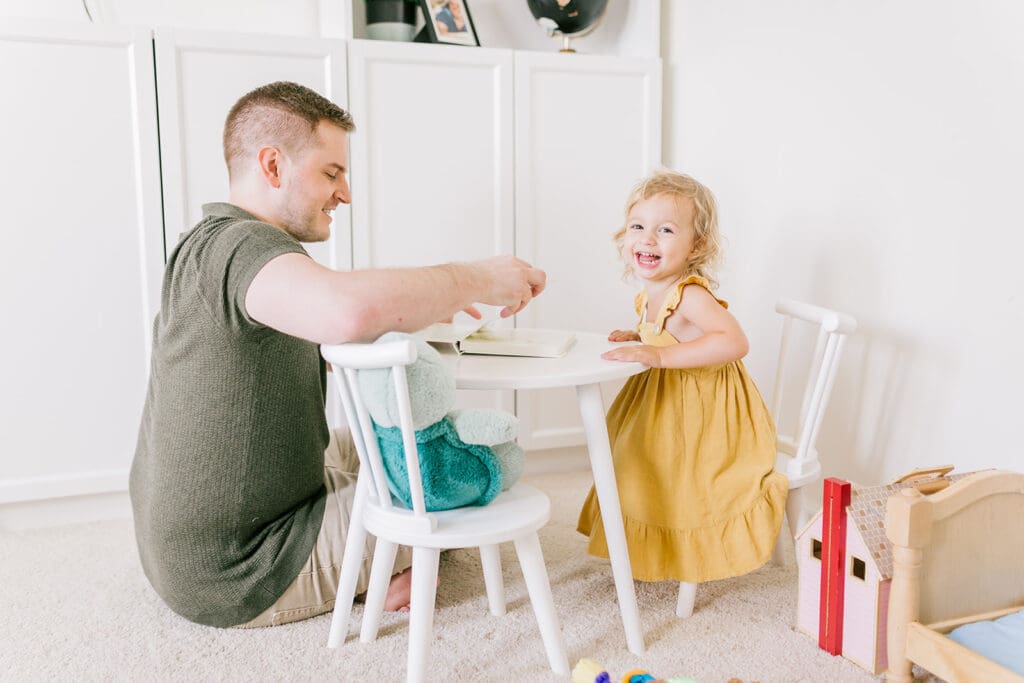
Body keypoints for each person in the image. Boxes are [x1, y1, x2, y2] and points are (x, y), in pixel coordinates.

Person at [129, 81, 546, 629]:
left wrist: (441, 302)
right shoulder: (243, 245)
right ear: (273, 166)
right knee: (457, 469)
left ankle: (378, 563)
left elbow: (331, 337)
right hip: (244, 567)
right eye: (331, 173)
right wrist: (477, 278)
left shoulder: (206, 245)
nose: (344, 193)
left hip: (190, 552)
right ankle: (373, 574)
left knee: (411, 440)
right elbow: (344, 312)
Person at [576, 170, 787, 584]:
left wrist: (659, 353)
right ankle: (645, 546)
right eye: (638, 226)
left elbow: (733, 341)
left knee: (682, 477)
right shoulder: (652, 291)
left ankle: (686, 549)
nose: (647, 239)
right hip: (667, 399)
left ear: (697, 245)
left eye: (666, 230)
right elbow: (672, 330)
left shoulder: (691, 294)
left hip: (705, 409)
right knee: (631, 459)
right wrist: (642, 333)